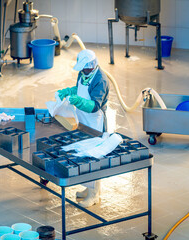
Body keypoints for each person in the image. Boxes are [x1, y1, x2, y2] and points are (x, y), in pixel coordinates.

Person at [57, 49, 109, 207]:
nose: (82, 71)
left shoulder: (100, 80)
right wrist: (68, 91)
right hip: (83, 121)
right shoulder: (83, 73)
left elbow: (94, 106)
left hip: (95, 122)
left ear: (92, 66)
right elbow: (79, 89)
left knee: (93, 156)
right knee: (84, 155)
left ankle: (94, 194)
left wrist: (77, 101)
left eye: (85, 68)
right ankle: (89, 189)